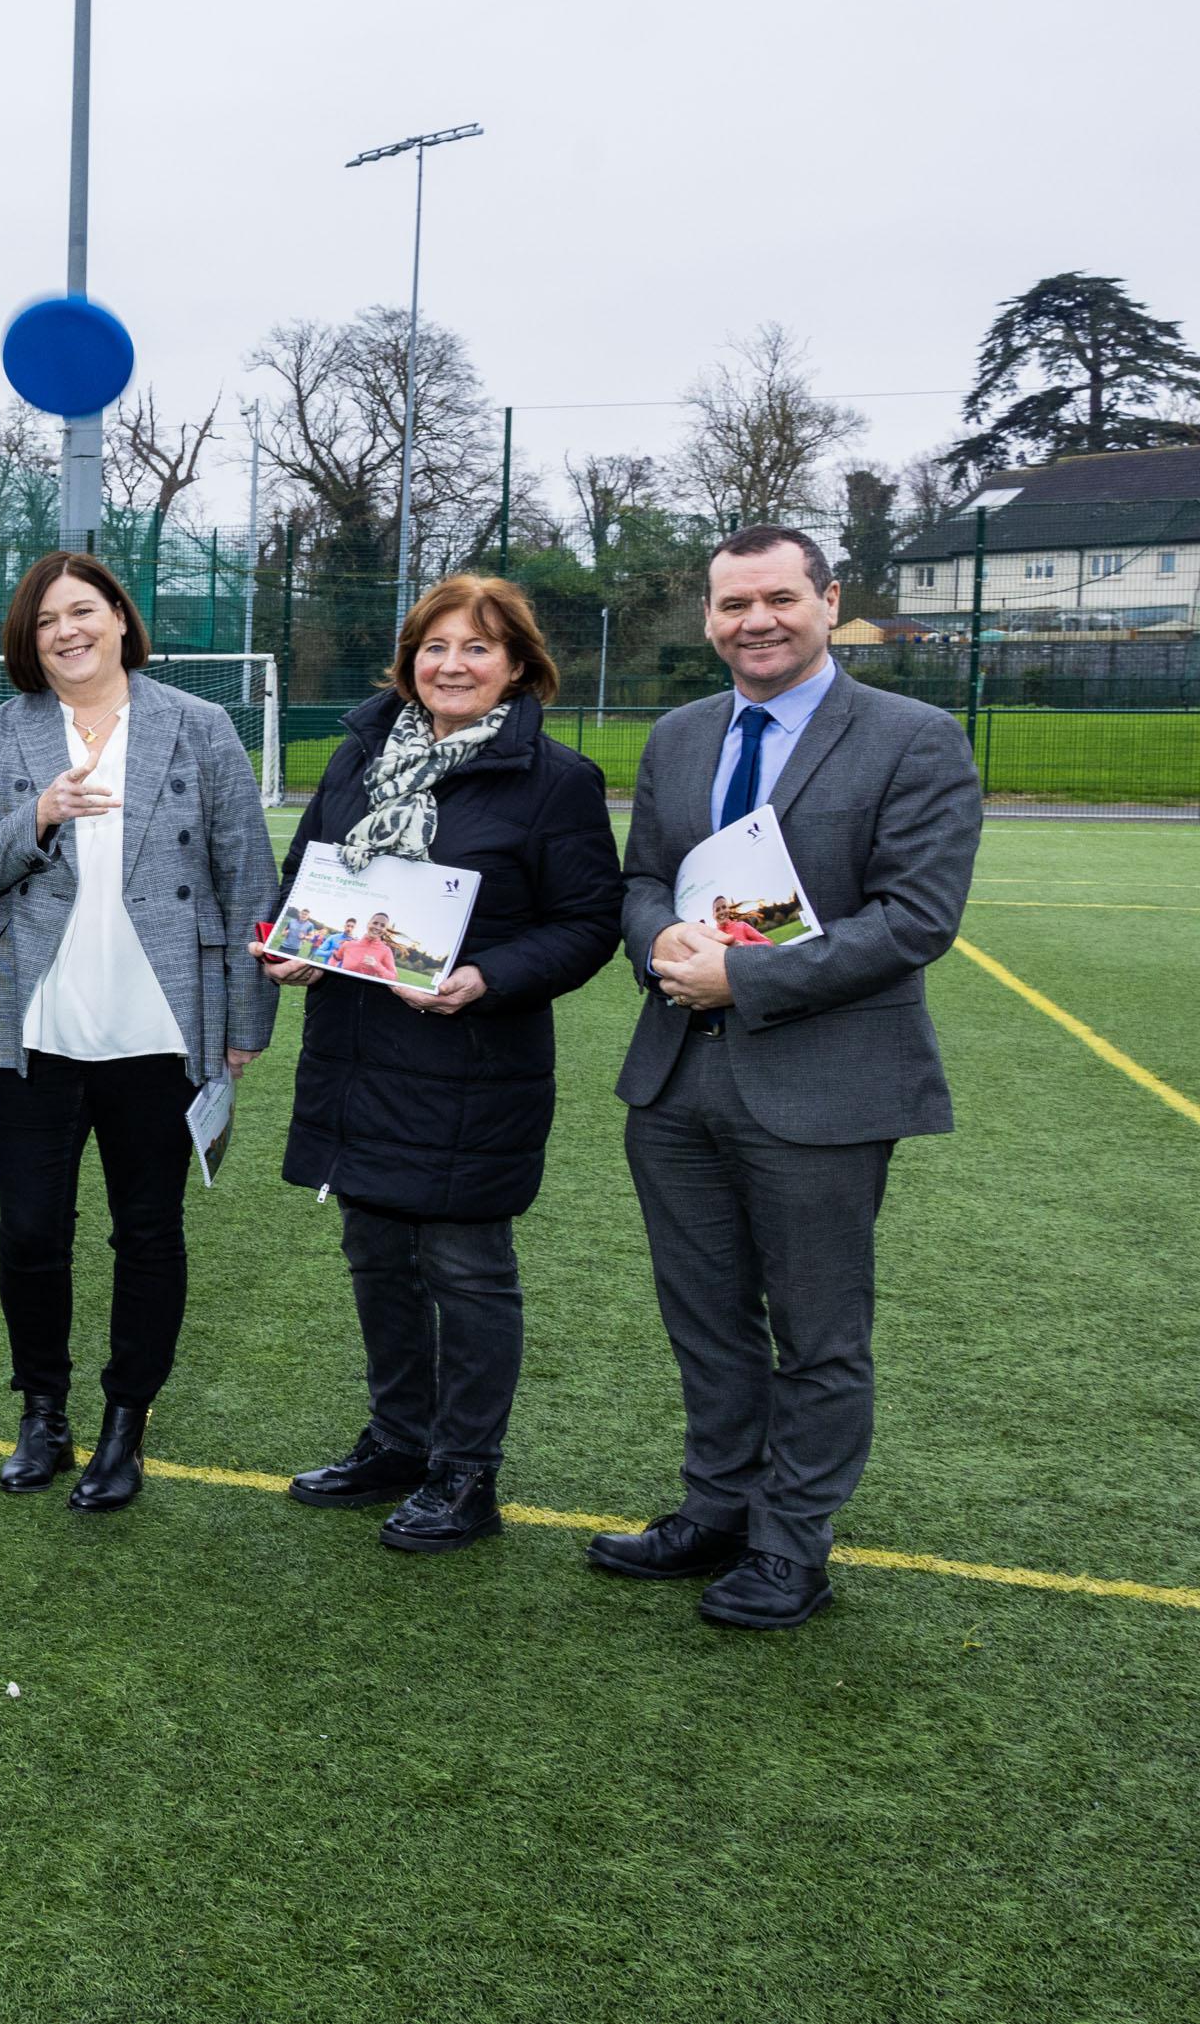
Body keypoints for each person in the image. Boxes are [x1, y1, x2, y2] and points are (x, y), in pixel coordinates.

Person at [595, 526, 982, 1629]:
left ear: (827, 600)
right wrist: (664, 941)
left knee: (817, 1331)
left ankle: (790, 1546)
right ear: (708, 617)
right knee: (706, 1319)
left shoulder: (914, 737)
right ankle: (715, 1508)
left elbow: (916, 918)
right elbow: (645, 878)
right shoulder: (678, 736)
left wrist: (743, 979)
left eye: (777, 597)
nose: (753, 621)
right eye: (731, 604)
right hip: (675, 1079)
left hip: (825, 1083)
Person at [265, 575, 619, 1552]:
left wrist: (486, 976)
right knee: (376, 1254)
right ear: (408, 659)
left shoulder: (556, 781)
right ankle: (400, 1442)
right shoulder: (358, 756)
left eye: (476, 648)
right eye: (434, 646)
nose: (451, 665)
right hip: (356, 1052)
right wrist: (289, 943)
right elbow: (303, 878)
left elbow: (589, 924)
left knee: (465, 1267)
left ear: (517, 666)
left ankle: (468, 1477)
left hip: (472, 1058)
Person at [0, 552, 277, 1510]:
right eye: (48, 618)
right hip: (36, 1026)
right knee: (28, 1233)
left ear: (121, 620)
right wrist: (42, 812)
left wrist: (247, 1022)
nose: (68, 631)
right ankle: (41, 1413)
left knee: (147, 1232)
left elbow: (247, 877)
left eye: (84, 611)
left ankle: (124, 1425)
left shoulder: (200, 725)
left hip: (159, 1028)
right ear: (29, 638)